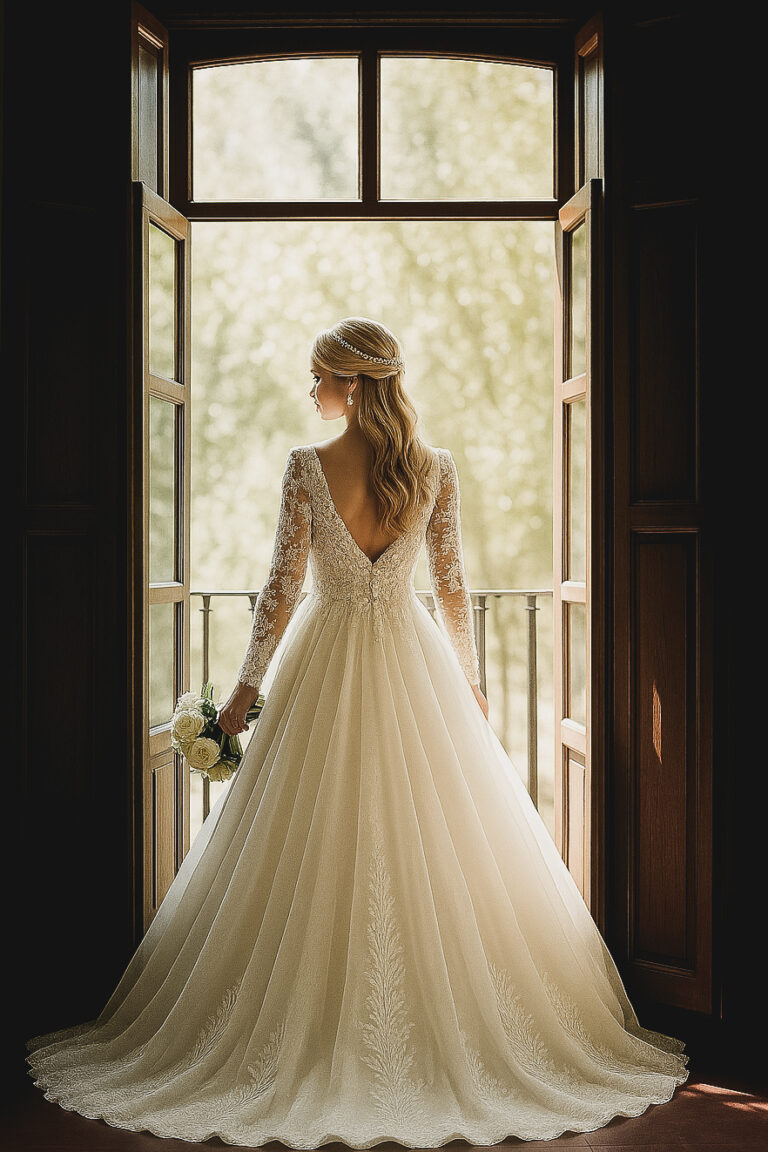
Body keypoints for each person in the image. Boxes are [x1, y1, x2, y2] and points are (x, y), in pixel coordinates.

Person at [26, 317, 688, 1147]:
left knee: (310, 841)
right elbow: (453, 590)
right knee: (429, 846)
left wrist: (243, 692)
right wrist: (470, 689)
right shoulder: (433, 471)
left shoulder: (309, 469)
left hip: (326, 660)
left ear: (354, 384)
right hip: (418, 668)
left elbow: (278, 589)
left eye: (320, 378)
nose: (312, 393)